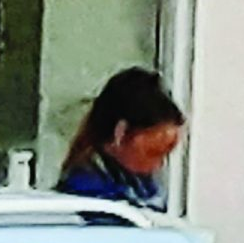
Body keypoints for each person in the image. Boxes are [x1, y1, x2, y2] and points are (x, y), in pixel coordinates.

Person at [57, 67, 186, 210]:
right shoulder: (88, 191)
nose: (158, 165)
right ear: (120, 133)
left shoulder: (142, 184)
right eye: (152, 152)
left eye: (165, 155)